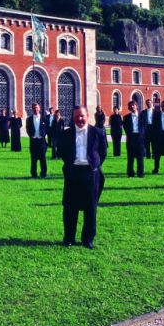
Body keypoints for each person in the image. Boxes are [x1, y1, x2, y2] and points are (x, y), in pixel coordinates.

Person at [59, 106, 107, 249]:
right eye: (77, 116)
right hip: (73, 173)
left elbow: (103, 152)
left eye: (82, 116)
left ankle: (88, 239)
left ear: (87, 116)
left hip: (91, 173)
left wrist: (94, 164)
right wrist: (70, 163)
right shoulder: (66, 134)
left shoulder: (97, 132)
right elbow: (61, 151)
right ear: (73, 117)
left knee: (91, 208)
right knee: (69, 207)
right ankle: (69, 238)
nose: (80, 119)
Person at [123, 101, 145, 178]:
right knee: (130, 157)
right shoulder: (126, 117)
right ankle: (130, 173)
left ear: (136, 106)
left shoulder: (142, 116)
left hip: (139, 138)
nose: (132, 107)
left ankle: (140, 173)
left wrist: (142, 135)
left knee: (140, 157)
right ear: (129, 107)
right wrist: (130, 134)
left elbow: (144, 126)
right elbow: (125, 128)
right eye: (131, 106)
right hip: (131, 138)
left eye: (134, 105)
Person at [25, 103, 48, 179]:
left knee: (43, 159)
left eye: (37, 108)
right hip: (33, 141)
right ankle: (34, 174)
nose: (36, 109)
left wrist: (43, 134)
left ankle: (43, 173)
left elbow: (47, 127)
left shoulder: (44, 118)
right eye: (34, 108)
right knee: (33, 159)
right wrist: (31, 135)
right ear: (32, 109)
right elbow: (27, 129)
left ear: (39, 108)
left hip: (42, 141)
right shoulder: (29, 119)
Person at [152, 100, 164, 174]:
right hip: (159, 137)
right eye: (163, 105)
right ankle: (156, 169)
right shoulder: (156, 115)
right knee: (157, 155)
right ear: (161, 106)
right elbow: (154, 127)